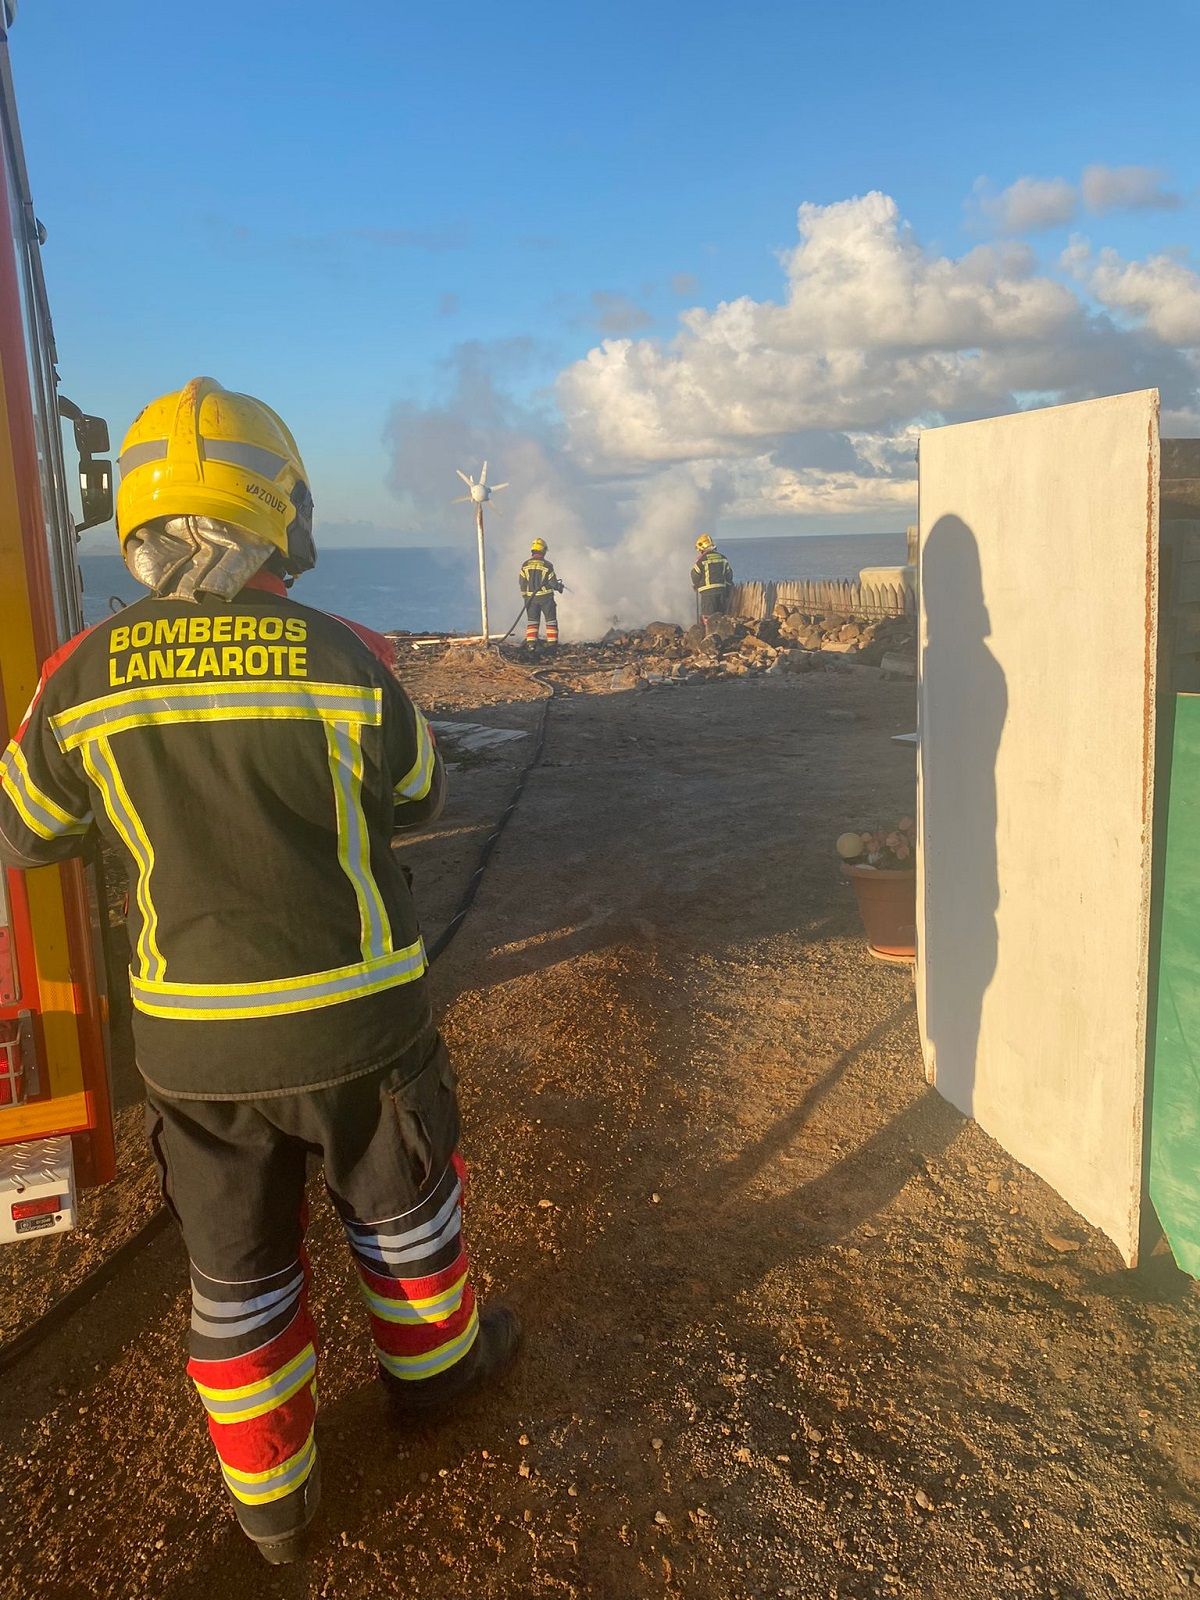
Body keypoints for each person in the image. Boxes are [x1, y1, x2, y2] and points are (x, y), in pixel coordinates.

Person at [0, 378, 519, 1566]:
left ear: (133, 517)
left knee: (236, 1275)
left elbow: (24, 828)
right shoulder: (348, 654)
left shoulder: (80, 674)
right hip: (362, 1027)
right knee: (404, 1218)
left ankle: (275, 1511)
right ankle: (439, 1378)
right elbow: (420, 794)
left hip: (196, 1047)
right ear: (279, 505)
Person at [519, 538, 564, 649]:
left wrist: (526, 597)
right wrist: (559, 587)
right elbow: (553, 583)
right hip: (546, 599)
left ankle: (531, 644)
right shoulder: (547, 565)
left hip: (530, 599)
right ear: (543, 551)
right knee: (550, 621)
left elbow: (522, 582)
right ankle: (552, 644)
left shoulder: (525, 565)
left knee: (532, 622)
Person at [690, 532, 734, 632]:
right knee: (719, 616)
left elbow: (694, 574)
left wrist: (696, 585)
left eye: (700, 550)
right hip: (721, 591)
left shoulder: (701, 561)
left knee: (708, 617)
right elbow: (729, 575)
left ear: (703, 548)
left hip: (707, 593)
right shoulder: (723, 558)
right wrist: (727, 588)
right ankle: (721, 636)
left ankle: (709, 637)